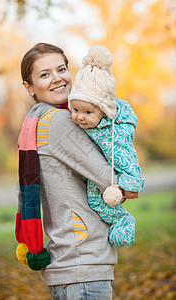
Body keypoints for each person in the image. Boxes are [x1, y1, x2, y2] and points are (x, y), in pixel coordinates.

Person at [15, 42, 127, 300]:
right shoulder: (59, 121)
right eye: (44, 74)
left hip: (68, 263)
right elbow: (113, 182)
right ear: (29, 87)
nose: (57, 79)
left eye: (61, 69)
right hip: (82, 264)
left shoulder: (36, 122)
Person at [68, 45, 144, 248]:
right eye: (75, 109)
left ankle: (123, 221)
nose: (79, 117)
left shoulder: (113, 133)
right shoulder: (87, 124)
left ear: (104, 112)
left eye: (87, 112)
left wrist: (130, 183)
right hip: (94, 171)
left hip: (112, 180)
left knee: (96, 201)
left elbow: (127, 156)